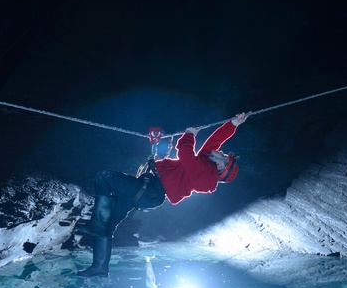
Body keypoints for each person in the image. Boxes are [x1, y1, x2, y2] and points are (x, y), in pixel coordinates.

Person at [76, 112, 249, 277]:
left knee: (104, 177)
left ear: (220, 166)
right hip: (149, 191)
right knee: (108, 224)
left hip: (150, 190)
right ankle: (99, 267)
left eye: (225, 157)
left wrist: (189, 135)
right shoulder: (207, 165)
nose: (223, 153)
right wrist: (234, 123)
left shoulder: (205, 174)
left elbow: (185, 154)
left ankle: (97, 223)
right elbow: (215, 142)